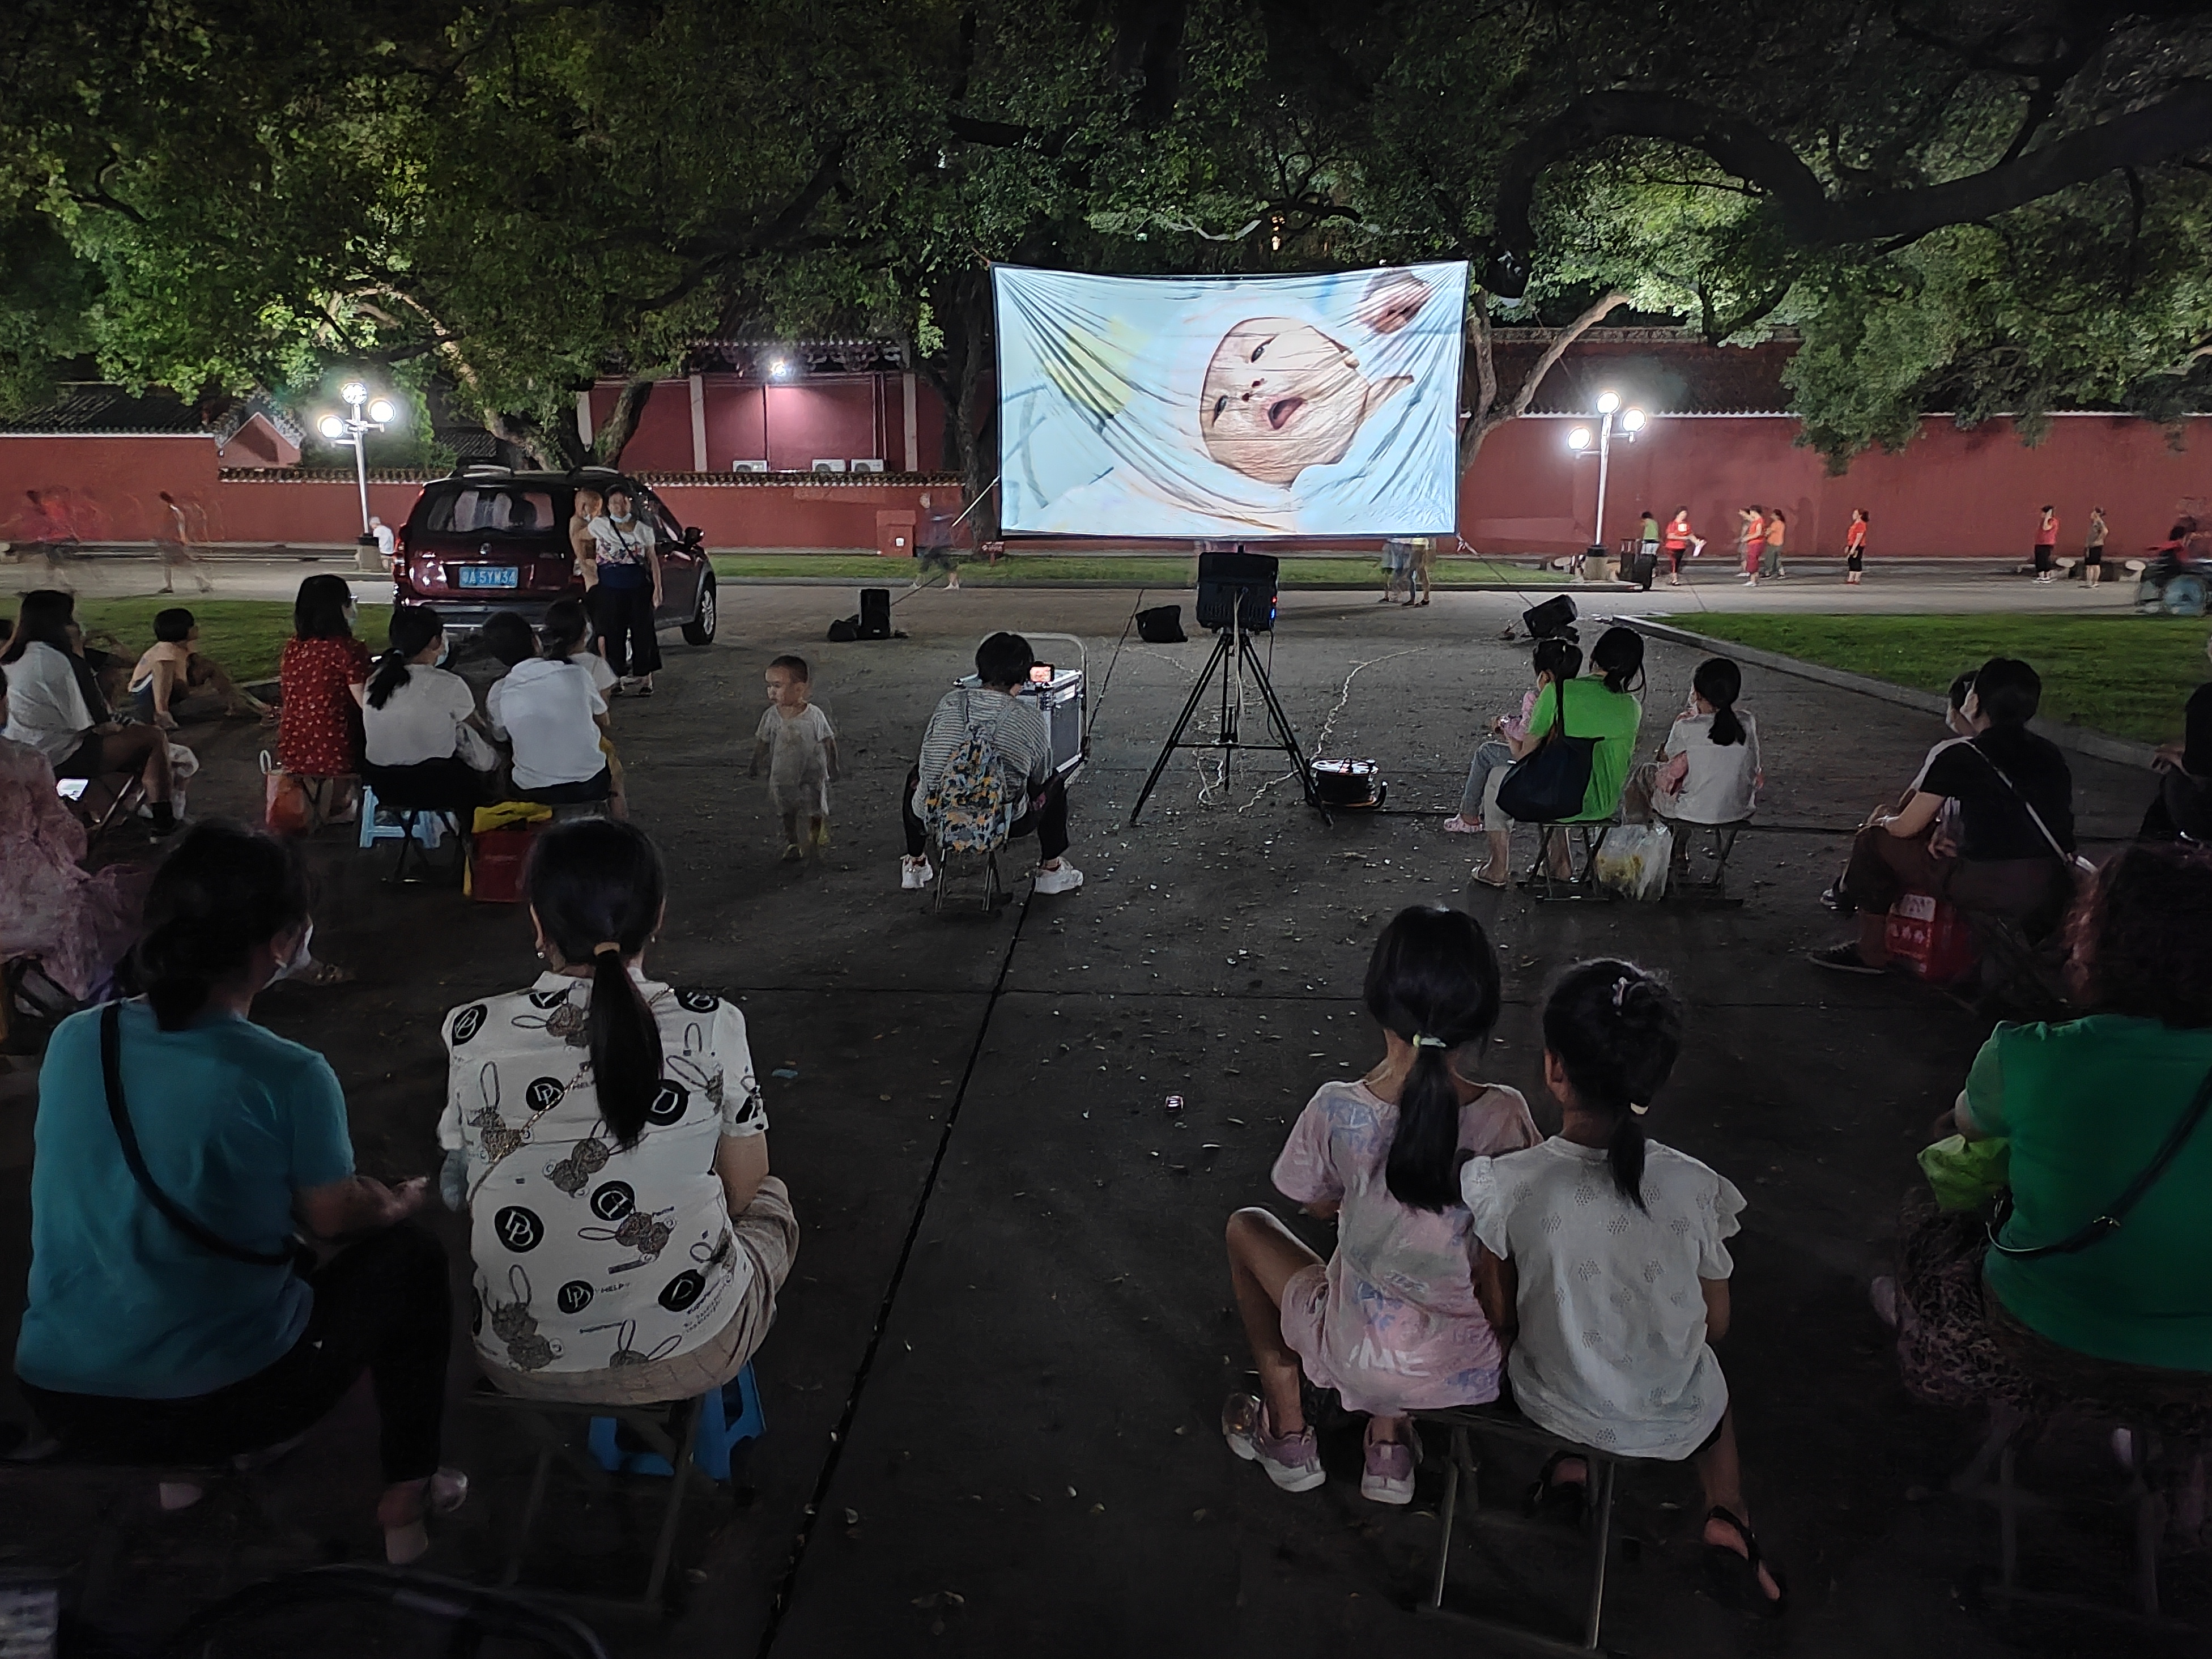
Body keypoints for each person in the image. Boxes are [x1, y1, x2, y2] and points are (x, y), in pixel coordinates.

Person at [11, 823, 462, 1563]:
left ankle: (180, 1480)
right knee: (409, 1259)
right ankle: (409, 1490)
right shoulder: (289, 1074)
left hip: (61, 1394)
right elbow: (332, 1217)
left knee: (167, 1234)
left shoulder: (77, 1040)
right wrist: (392, 1201)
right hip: (218, 1404)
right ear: (283, 943)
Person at [438, 819, 797, 1408]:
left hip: (515, 1362)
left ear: (538, 922)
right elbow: (745, 1188)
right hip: (694, 1352)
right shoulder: (711, 1023)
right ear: (658, 917)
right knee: (771, 1199)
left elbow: (465, 1181)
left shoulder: (469, 1028)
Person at [1464, 960, 1783, 1610]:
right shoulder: (1694, 1187)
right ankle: (1728, 1516)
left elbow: (1500, 1311)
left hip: (1550, 1399)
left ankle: (1570, 1466)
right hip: (1668, 1415)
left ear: (1554, 1069)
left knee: (1565, 1339)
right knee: (1708, 1380)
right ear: (1652, 1080)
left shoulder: (1508, 1183)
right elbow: (1715, 1324)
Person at [1223, 905, 1538, 1503]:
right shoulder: (1506, 1115)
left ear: (1379, 1003)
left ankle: (1287, 1433)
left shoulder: (1338, 1108)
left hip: (1361, 1358)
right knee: (1410, 1262)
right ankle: (1387, 1448)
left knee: (1249, 1229)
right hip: (1474, 1368)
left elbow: (1317, 1204)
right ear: (1480, 1017)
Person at [1890, 843, 2212, 1417]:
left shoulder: (2027, 1054)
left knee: (1935, 1198)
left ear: (2099, 944)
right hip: (2202, 1365)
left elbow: (1968, 1127)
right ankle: (2156, 1435)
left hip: (2045, 1335)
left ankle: (1929, 1336)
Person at [1813, 657, 2074, 973]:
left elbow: (1905, 827)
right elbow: (2009, 816)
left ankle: (1871, 952)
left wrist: (1881, 822)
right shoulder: (2050, 753)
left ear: (1974, 701)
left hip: (1987, 884)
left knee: (1872, 840)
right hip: (2050, 883)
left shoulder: (1961, 755)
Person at [0, 673, 150, 1003]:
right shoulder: (24, 761)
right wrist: (80, 830)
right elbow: (65, 839)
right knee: (105, 903)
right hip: (22, 911)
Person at [900, 631, 1081, 895]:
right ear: (1024, 676)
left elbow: (927, 759)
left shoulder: (949, 702)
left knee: (916, 776)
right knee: (1055, 783)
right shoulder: (1030, 718)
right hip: (1002, 823)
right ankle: (1051, 872)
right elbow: (1040, 776)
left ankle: (915, 864)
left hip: (934, 816)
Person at [3, 590, 178, 835]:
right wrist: (78, 652)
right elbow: (87, 724)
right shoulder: (58, 662)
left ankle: (127, 813)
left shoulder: (13, 657)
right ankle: (164, 821)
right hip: (58, 755)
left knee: (134, 742)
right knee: (153, 737)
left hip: (20, 748)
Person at [1443, 635, 1583, 888]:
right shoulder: (1585, 698)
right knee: (1499, 766)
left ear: (1544, 675)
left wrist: (1506, 730)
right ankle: (1560, 862)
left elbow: (1524, 754)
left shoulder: (1545, 697)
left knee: (1492, 764)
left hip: (1546, 776)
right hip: (1578, 782)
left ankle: (1475, 828)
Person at [360, 605, 495, 810]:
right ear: (435, 642)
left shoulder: (375, 681)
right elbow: (477, 727)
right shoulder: (450, 684)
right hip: (435, 787)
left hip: (384, 787)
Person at [485, 614, 615, 810]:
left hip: (533, 789)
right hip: (591, 783)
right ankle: (619, 822)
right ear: (535, 641)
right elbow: (603, 721)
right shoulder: (576, 673)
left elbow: (501, 738)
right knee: (614, 769)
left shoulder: (498, 692)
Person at [276, 573, 372, 796]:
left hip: (294, 746)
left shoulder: (294, 648)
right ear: (338, 609)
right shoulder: (348, 650)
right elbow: (366, 704)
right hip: (337, 749)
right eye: (349, 601)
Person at [1649, 657, 1763, 833]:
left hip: (1690, 812)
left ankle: (1642, 836)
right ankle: (1680, 844)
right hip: (1739, 810)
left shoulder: (1686, 726)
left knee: (1646, 776)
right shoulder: (1747, 721)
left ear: (1697, 693)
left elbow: (1666, 758)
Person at [751, 654, 839, 860]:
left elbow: (829, 741)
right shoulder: (771, 716)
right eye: (769, 686)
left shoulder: (814, 715)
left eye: (777, 685)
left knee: (815, 807)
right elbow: (764, 741)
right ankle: (793, 842)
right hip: (784, 772)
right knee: (787, 808)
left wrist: (833, 765)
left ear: (799, 689)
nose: (771, 691)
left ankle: (814, 839)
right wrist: (756, 762)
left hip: (812, 771)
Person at [128, 607, 270, 729]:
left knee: (209, 666)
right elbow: (165, 676)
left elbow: (202, 665)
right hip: (146, 693)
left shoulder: (185, 646)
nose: (197, 628)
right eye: (193, 625)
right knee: (163, 666)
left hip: (174, 686)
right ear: (186, 630)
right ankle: (162, 715)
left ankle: (236, 704)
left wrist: (239, 694)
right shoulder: (165, 652)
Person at [587, 485, 662, 695]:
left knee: (643, 632)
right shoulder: (599, 526)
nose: (619, 507)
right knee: (613, 633)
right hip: (610, 588)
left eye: (623, 502)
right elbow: (579, 535)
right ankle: (616, 678)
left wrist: (658, 588)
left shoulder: (643, 529)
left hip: (638, 588)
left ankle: (646, 678)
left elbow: (652, 560)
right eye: (614, 503)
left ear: (630, 503)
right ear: (608, 505)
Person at [2141, 633, 2212, 842]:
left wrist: (2172, 757)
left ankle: (2154, 846)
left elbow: (2199, 771)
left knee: (2175, 780)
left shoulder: (2206, 699)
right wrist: (2179, 750)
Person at [154, 491, 212, 595]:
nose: (158, 504)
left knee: (185, 564)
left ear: (164, 501)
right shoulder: (169, 512)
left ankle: (203, 583)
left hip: (174, 542)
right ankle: (169, 586)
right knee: (168, 565)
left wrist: (182, 538)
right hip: (169, 542)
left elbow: (180, 525)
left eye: (160, 501)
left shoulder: (174, 512)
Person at [913, 492, 962, 590]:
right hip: (937, 543)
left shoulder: (935, 510)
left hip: (940, 542)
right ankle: (954, 584)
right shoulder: (928, 512)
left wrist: (938, 520)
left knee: (927, 562)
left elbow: (947, 518)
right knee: (944, 563)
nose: (924, 503)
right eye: (922, 501)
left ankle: (918, 583)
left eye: (926, 500)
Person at [567, 487, 605, 588]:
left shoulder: (586, 522)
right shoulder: (577, 522)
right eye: (596, 509)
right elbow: (582, 536)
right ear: (583, 507)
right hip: (589, 564)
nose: (599, 513)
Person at [1662, 505, 1696, 588]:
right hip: (1672, 547)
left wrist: (1697, 541)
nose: (1684, 515)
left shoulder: (1686, 525)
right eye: (1683, 513)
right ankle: (1675, 579)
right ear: (1678, 514)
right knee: (1674, 562)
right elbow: (1670, 536)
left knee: (1678, 563)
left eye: (1685, 514)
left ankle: (1673, 577)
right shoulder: (1673, 524)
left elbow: (1690, 535)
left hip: (1682, 547)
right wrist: (1683, 538)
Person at [1634, 509, 1660, 592]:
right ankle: (1653, 571)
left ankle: (1646, 573)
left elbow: (1642, 529)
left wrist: (1640, 539)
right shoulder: (1655, 522)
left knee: (1645, 558)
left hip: (1648, 542)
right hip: (1656, 542)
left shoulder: (1646, 521)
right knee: (1652, 557)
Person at [1738, 507, 1765, 586]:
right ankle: (1753, 580)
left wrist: (1748, 538)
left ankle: (1754, 580)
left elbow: (1758, 533)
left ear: (1754, 512)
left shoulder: (1759, 521)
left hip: (1756, 543)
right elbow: (1749, 519)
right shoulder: (1755, 521)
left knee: (1753, 561)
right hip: (1752, 543)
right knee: (1752, 560)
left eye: (1751, 512)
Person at [2082, 505, 2107, 587]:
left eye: (2093, 512)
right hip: (2090, 546)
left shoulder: (2099, 522)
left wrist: (2098, 540)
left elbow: (2105, 531)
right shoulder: (2094, 523)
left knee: (2095, 564)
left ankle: (2095, 582)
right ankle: (2089, 581)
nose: (2091, 514)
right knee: (2089, 565)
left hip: (2096, 546)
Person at [2032, 504, 2059, 581]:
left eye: (2043, 512)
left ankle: (2047, 575)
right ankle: (2041, 575)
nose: (2041, 514)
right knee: (2039, 559)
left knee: (2045, 559)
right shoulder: (2043, 521)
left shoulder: (2052, 521)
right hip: (2039, 542)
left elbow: (2046, 528)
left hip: (2047, 543)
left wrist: (2048, 517)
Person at [1760, 508, 1787, 580]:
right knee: (1776, 558)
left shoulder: (1776, 524)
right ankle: (1780, 572)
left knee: (1770, 559)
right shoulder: (1782, 523)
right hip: (1779, 543)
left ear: (1776, 516)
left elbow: (1768, 532)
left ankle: (1768, 572)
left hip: (1773, 543)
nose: (1771, 515)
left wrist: (1763, 533)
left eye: (1773, 514)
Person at [1844, 508, 1869, 585]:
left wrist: (1853, 548)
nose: (1853, 515)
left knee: (1856, 561)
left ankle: (1857, 579)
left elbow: (1859, 537)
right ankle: (1851, 578)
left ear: (1860, 515)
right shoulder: (1856, 523)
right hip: (1853, 544)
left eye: (1855, 514)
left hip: (1858, 546)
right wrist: (1849, 546)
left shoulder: (1861, 524)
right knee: (1852, 561)